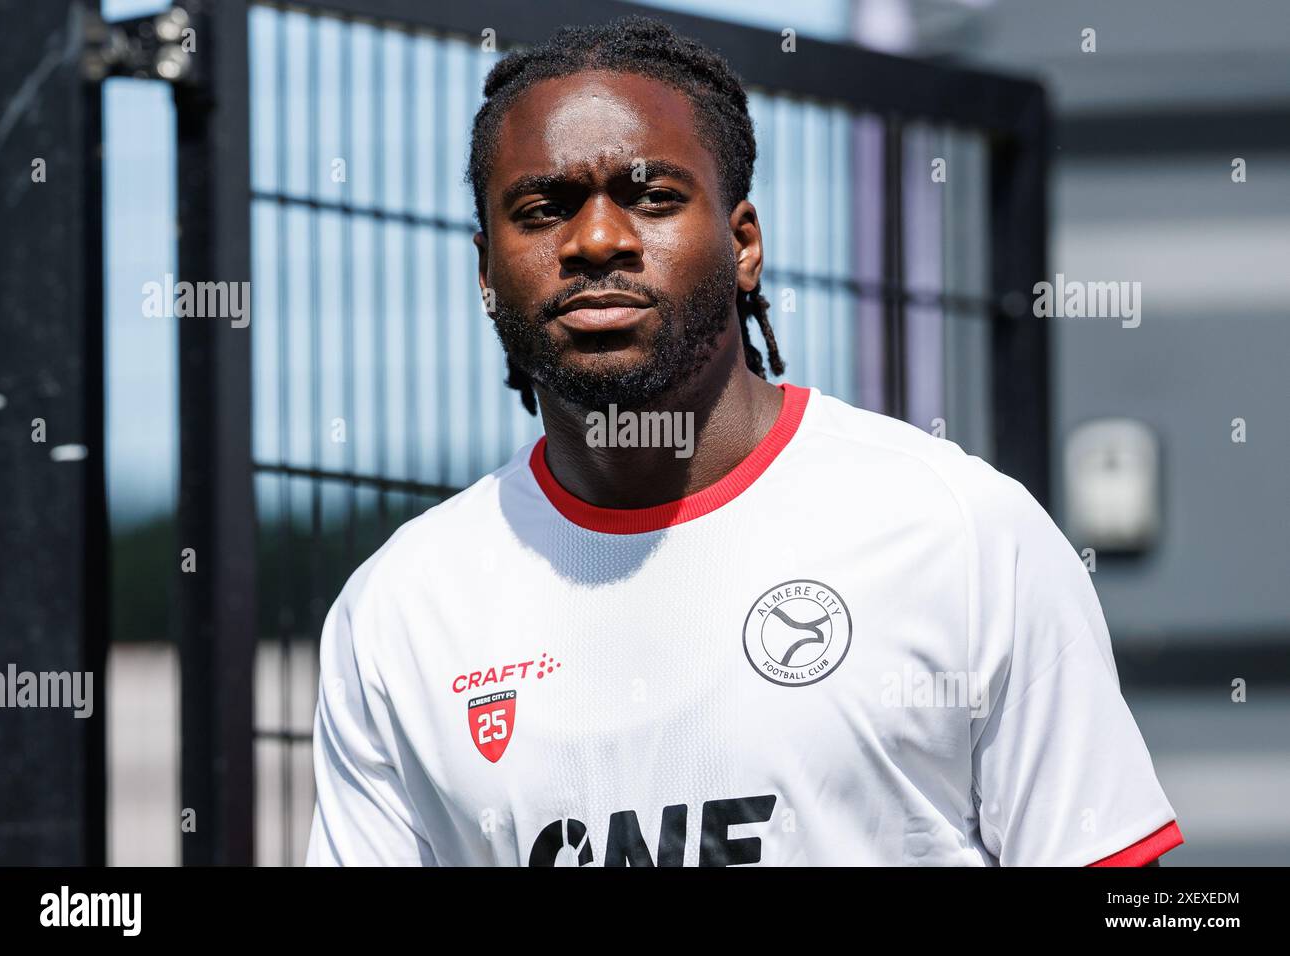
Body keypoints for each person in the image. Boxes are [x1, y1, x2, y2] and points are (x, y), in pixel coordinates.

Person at [306, 15, 1182, 867]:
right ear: (486, 269)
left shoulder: (961, 532)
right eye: (543, 210)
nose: (598, 240)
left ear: (744, 243)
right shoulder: (400, 610)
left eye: (652, 198)